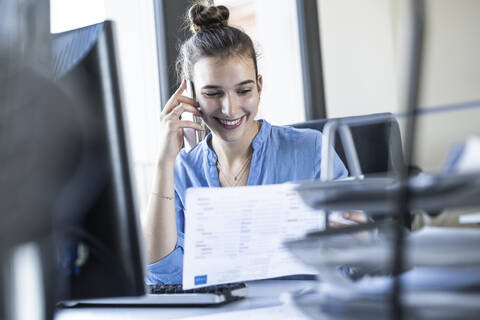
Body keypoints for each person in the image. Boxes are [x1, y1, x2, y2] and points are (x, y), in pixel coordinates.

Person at [142, 2, 351, 285]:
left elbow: (350, 258)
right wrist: (164, 161)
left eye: (244, 90)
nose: (230, 109)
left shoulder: (311, 150)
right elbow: (162, 274)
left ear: (259, 86)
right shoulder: (183, 171)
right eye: (213, 93)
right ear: (190, 94)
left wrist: (356, 239)